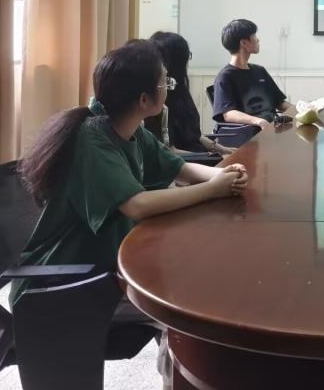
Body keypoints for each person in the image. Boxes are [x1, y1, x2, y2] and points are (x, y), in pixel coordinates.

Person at [14, 40, 249, 305]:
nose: (169, 87)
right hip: (59, 283)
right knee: (190, 290)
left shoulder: (132, 129)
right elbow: (136, 205)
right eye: (164, 82)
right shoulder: (91, 140)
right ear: (144, 99)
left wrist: (221, 175)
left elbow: (178, 167)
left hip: (105, 263)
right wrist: (212, 189)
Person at [147, 31, 234, 156]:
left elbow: (194, 135)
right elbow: (168, 152)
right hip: (186, 161)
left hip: (199, 157)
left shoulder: (179, 91)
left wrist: (223, 149)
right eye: (187, 56)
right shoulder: (158, 100)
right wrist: (211, 157)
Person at [212, 18, 297, 127]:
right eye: (254, 36)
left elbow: (279, 102)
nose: (258, 40)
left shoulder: (260, 71)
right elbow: (228, 114)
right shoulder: (225, 77)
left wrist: (299, 111)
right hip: (248, 133)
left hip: (271, 129)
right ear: (244, 43)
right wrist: (258, 121)